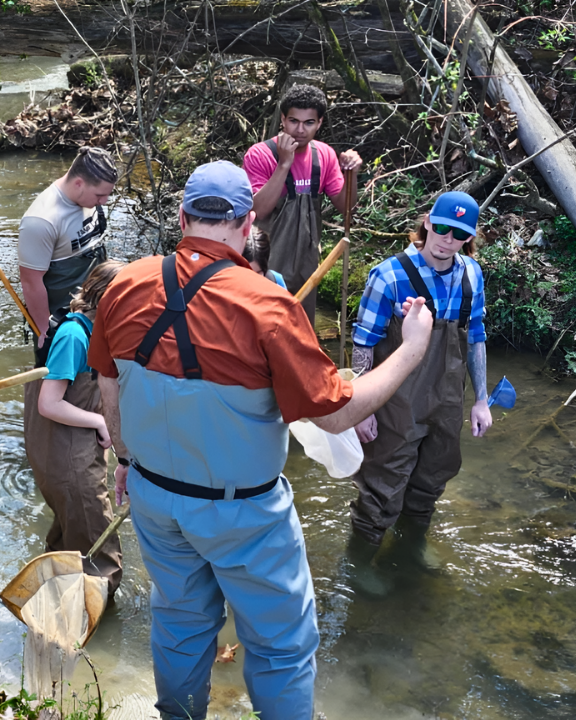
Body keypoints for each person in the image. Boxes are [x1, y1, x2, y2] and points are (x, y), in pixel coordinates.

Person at [88, 160, 434, 720]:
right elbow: (336, 416)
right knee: (280, 644)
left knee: (179, 622)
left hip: (153, 497)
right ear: (248, 224)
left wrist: (125, 459)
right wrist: (412, 349)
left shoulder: (124, 285)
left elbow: (109, 383)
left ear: (182, 218)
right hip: (243, 512)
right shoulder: (269, 307)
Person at [347, 191, 493, 589]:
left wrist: (481, 400)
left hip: (447, 399)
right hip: (395, 400)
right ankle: (358, 564)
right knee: (383, 483)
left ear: (469, 237)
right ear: (427, 222)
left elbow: (475, 337)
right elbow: (363, 344)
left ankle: (410, 545)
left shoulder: (472, 275)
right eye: (441, 227)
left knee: (433, 476)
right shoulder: (389, 276)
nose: (447, 239)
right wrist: (362, 407)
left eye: (458, 233)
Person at [23, 260, 127, 597]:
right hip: (67, 458)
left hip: (77, 453)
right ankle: (94, 612)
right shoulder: (73, 336)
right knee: (100, 551)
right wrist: (100, 421)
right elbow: (48, 403)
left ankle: (50, 596)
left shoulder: (96, 331)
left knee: (68, 537)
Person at [244, 84, 363, 324]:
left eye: (308, 123)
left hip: (307, 264)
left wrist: (351, 175)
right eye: (293, 121)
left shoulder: (324, 155)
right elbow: (258, 211)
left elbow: (346, 210)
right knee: (262, 324)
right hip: (264, 262)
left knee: (300, 325)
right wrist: (284, 164)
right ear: (283, 120)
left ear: (319, 123)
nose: (300, 130)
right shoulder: (259, 155)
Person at [18, 146, 118, 343]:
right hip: (63, 321)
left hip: (94, 306)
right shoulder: (40, 221)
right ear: (79, 183)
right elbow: (31, 283)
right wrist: (45, 331)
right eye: (99, 195)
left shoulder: (90, 200)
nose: (104, 201)